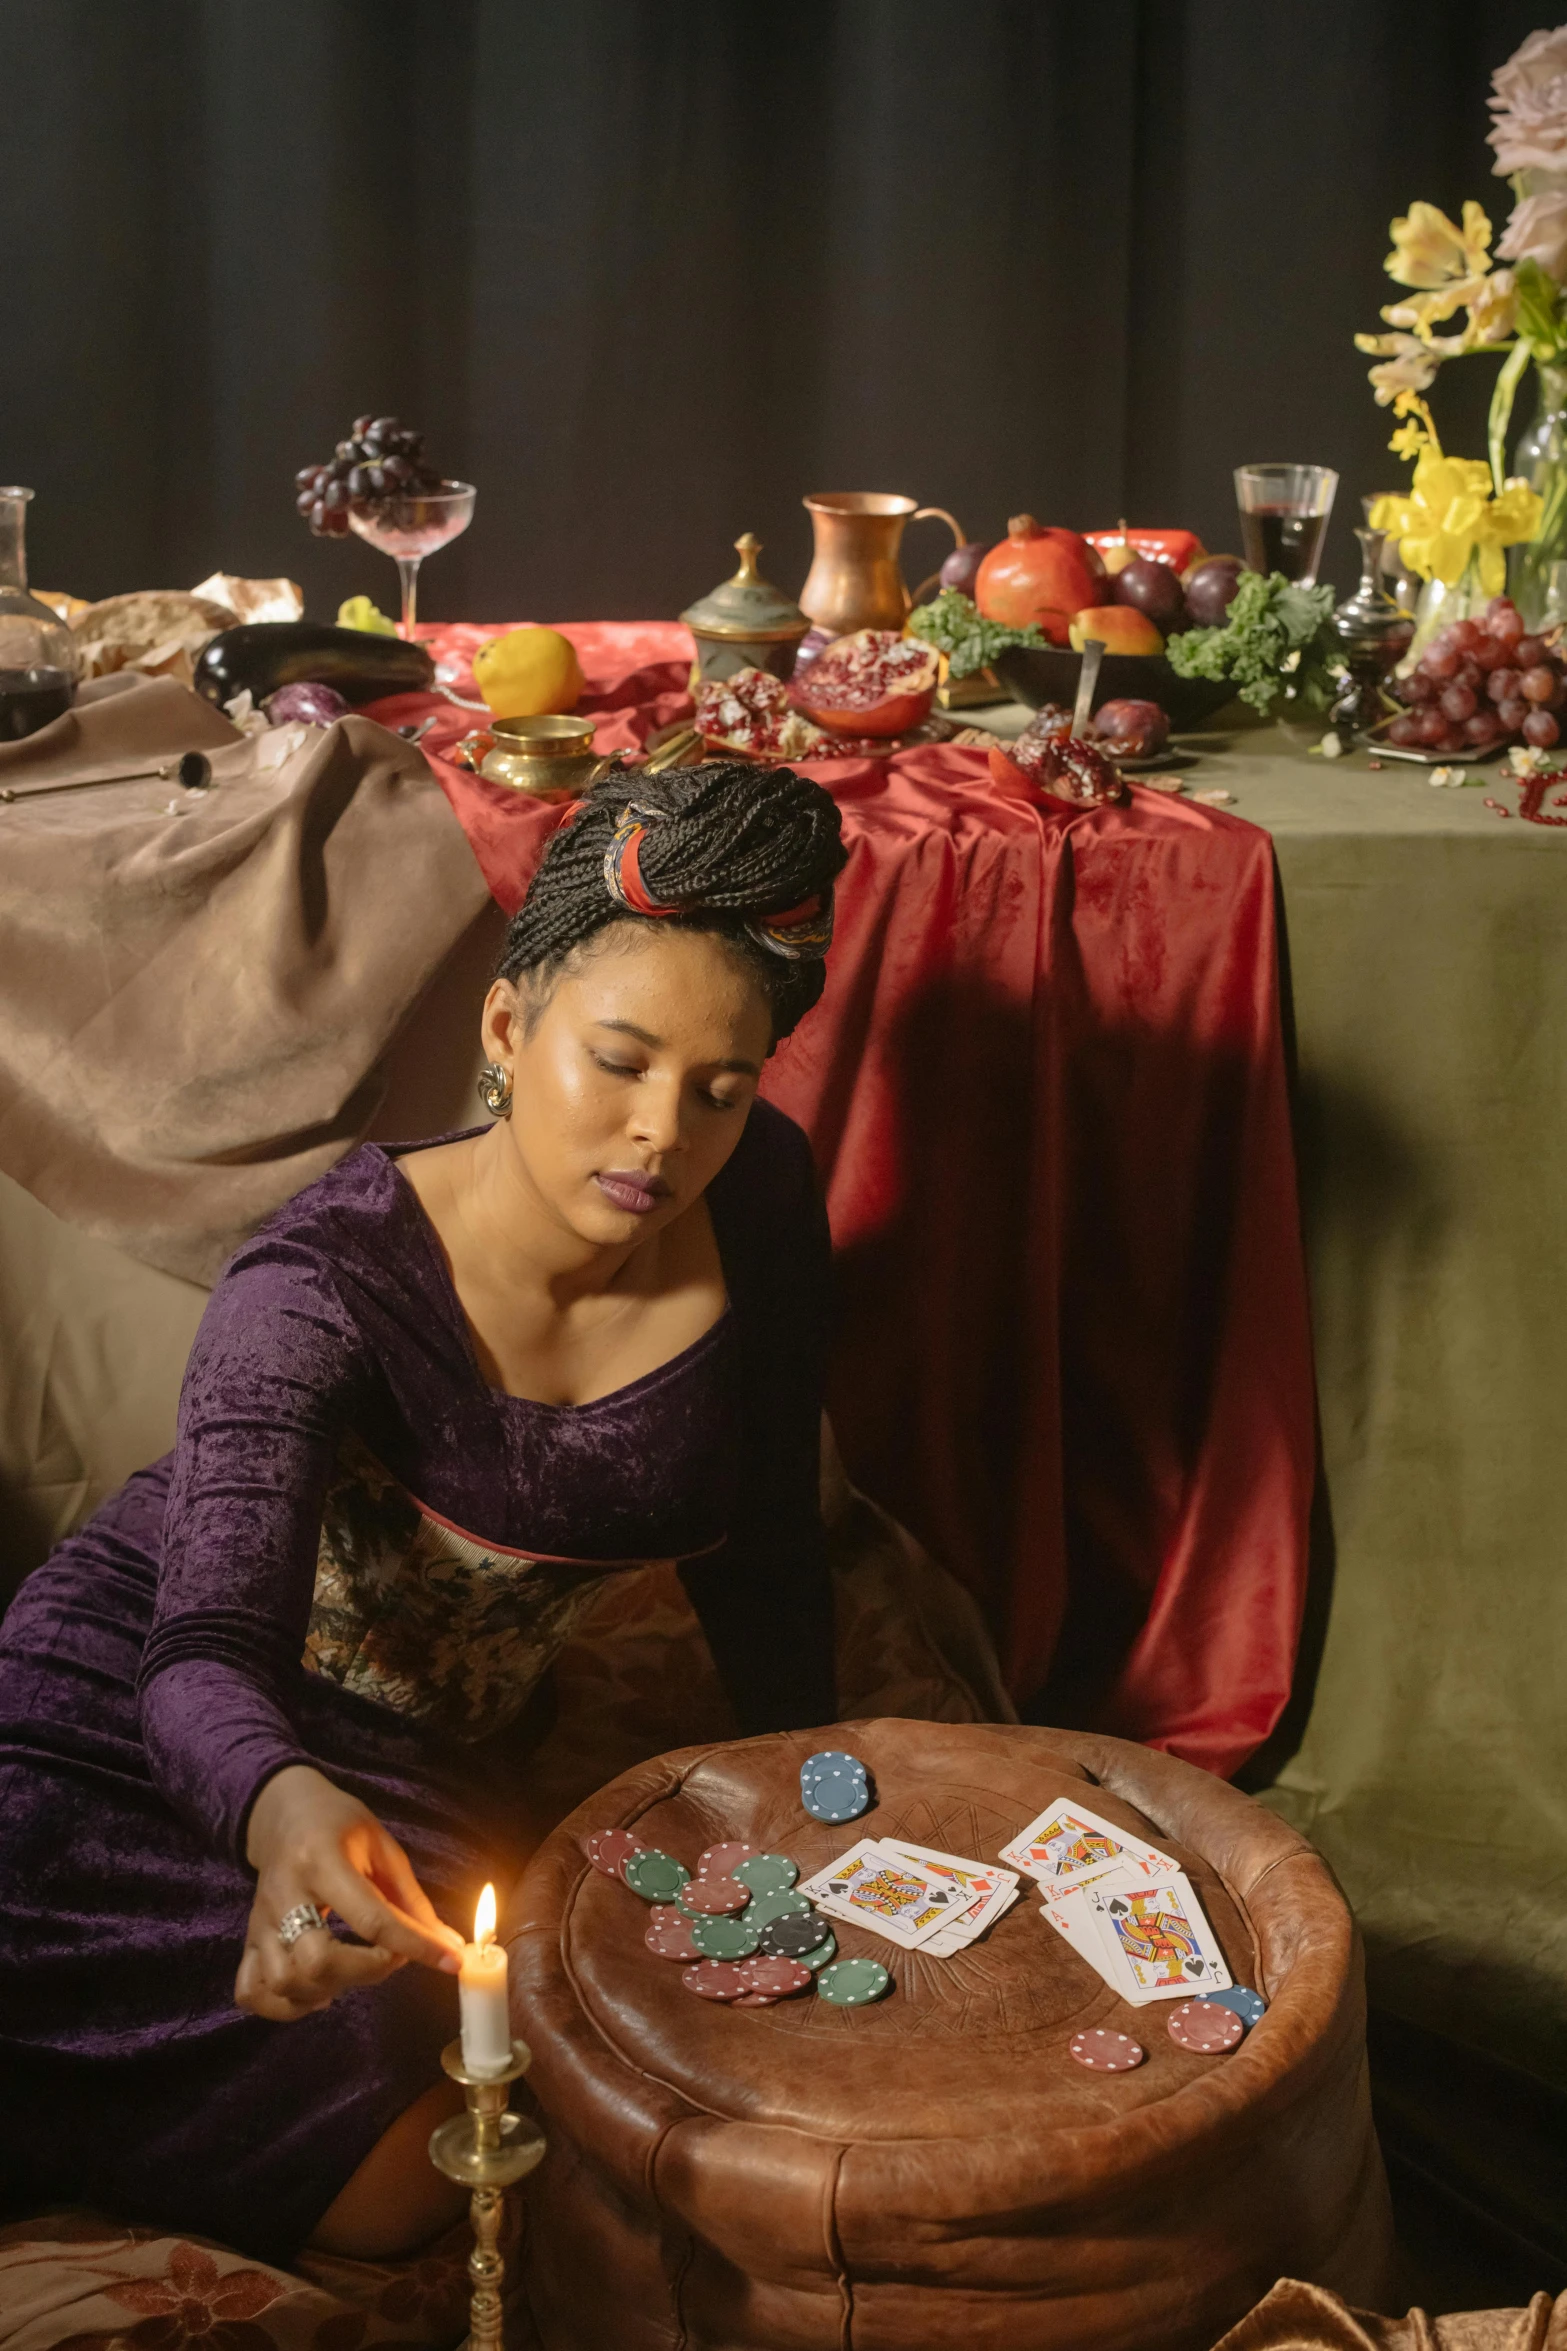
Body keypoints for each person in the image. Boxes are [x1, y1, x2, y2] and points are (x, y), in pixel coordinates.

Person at [0, 761, 848, 2266]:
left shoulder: (763, 1197)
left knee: (429, 2159)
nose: (663, 1129)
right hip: (141, 1715)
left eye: (721, 1086)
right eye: (621, 1060)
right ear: (509, 1028)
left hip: (431, 1770)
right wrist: (276, 1806)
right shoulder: (315, 1284)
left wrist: (821, 1784)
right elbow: (198, 1650)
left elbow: (768, 1538)